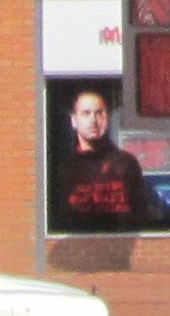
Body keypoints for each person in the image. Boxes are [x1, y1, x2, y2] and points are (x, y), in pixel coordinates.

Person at [49, 86, 151, 231]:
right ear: (74, 121)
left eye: (99, 113)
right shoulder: (62, 168)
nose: (93, 120)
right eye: (86, 113)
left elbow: (140, 217)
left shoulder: (126, 164)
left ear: (107, 119)